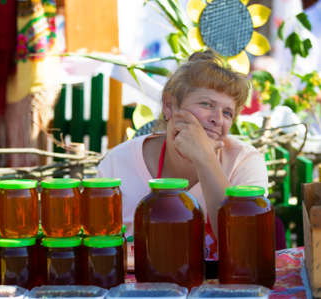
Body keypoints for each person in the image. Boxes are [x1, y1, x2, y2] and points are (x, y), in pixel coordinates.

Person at [97, 50, 269, 260]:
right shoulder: (118, 162)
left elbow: (242, 246)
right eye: (206, 104)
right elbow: (99, 249)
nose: (217, 119)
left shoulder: (245, 161)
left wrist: (204, 158)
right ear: (169, 106)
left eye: (227, 113)